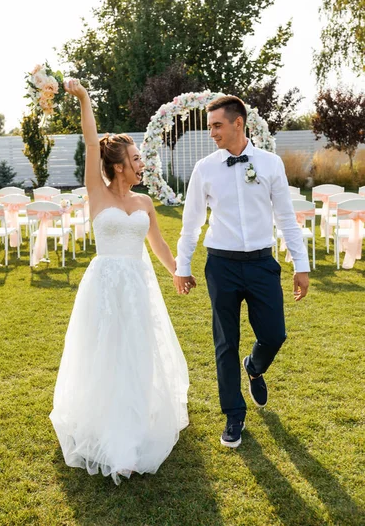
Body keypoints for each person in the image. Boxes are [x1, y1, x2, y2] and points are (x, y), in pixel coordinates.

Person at [50, 79, 189, 484]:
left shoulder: (144, 202)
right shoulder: (97, 192)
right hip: (105, 287)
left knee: (138, 353)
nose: (141, 162)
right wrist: (84, 98)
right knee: (106, 353)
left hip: (139, 287)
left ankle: (135, 422)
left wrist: (178, 271)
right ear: (117, 165)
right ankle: (113, 435)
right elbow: (92, 143)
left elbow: (159, 245)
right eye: (135, 157)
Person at [173, 95, 309, 449]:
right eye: (210, 126)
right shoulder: (205, 168)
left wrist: (301, 264)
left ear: (238, 123)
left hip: (263, 263)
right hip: (221, 265)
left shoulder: (271, 164)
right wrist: (182, 266)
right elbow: (190, 225)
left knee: (275, 334)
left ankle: (255, 366)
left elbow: (286, 220)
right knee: (224, 343)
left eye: (217, 125)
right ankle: (234, 415)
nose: (212, 133)